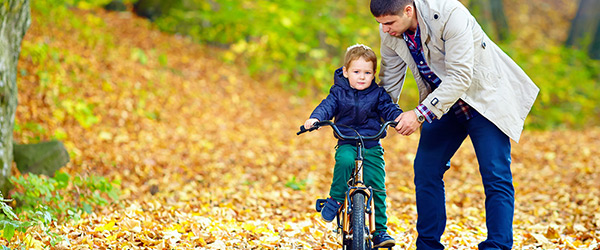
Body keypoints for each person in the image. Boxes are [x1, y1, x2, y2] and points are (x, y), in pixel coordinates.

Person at [368, 0, 540, 249]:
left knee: (495, 175)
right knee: (426, 171)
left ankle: (498, 245)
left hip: (483, 102)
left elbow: (460, 76)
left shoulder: (450, 14)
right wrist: (369, 119)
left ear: (408, 10)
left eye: (389, 23)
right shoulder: (391, 30)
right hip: (443, 107)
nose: (384, 29)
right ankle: (428, 245)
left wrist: (417, 114)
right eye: (380, 24)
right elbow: (389, 82)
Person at [304, 44, 403, 248]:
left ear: (373, 74)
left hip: (371, 143)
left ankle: (380, 232)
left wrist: (398, 117)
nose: (361, 77)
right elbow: (327, 106)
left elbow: (389, 108)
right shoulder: (338, 92)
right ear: (345, 71)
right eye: (356, 72)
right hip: (347, 140)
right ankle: (336, 199)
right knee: (345, 160)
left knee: (377, 185)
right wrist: (315, 118)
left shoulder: (378, 94)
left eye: (367, 73)